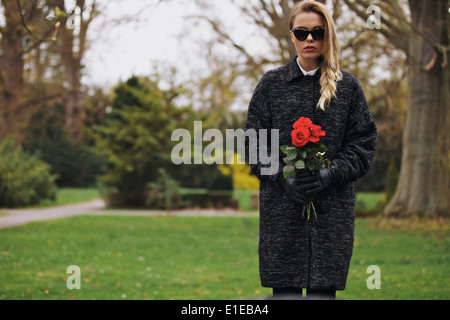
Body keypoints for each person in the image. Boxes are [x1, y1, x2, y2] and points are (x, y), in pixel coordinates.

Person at [244, 0, 377, 300]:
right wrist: (283, 178)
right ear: (291, 35)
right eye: (302, 33)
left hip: (331, 214)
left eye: (317, 33)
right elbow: (254, 144)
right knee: (286, 296)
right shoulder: (271, 85)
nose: (309, 40)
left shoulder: (348, 88)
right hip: (282, 214)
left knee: (321, 296)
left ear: (327, 35)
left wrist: (331, 173)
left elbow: (363, 144)